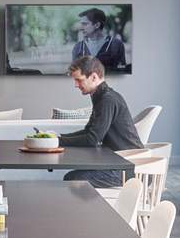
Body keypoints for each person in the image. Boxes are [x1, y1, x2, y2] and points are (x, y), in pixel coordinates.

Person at [59, 55, 143, 188]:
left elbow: (92, 139)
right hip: (119, 163)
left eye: (79, 80)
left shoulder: (107, 100)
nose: (76, 85)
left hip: (128, 169)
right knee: (75, 175)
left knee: (73, 178)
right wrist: (59, 137)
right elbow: (88, 131)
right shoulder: (101, 97)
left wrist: (58, 141)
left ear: (93, 77)